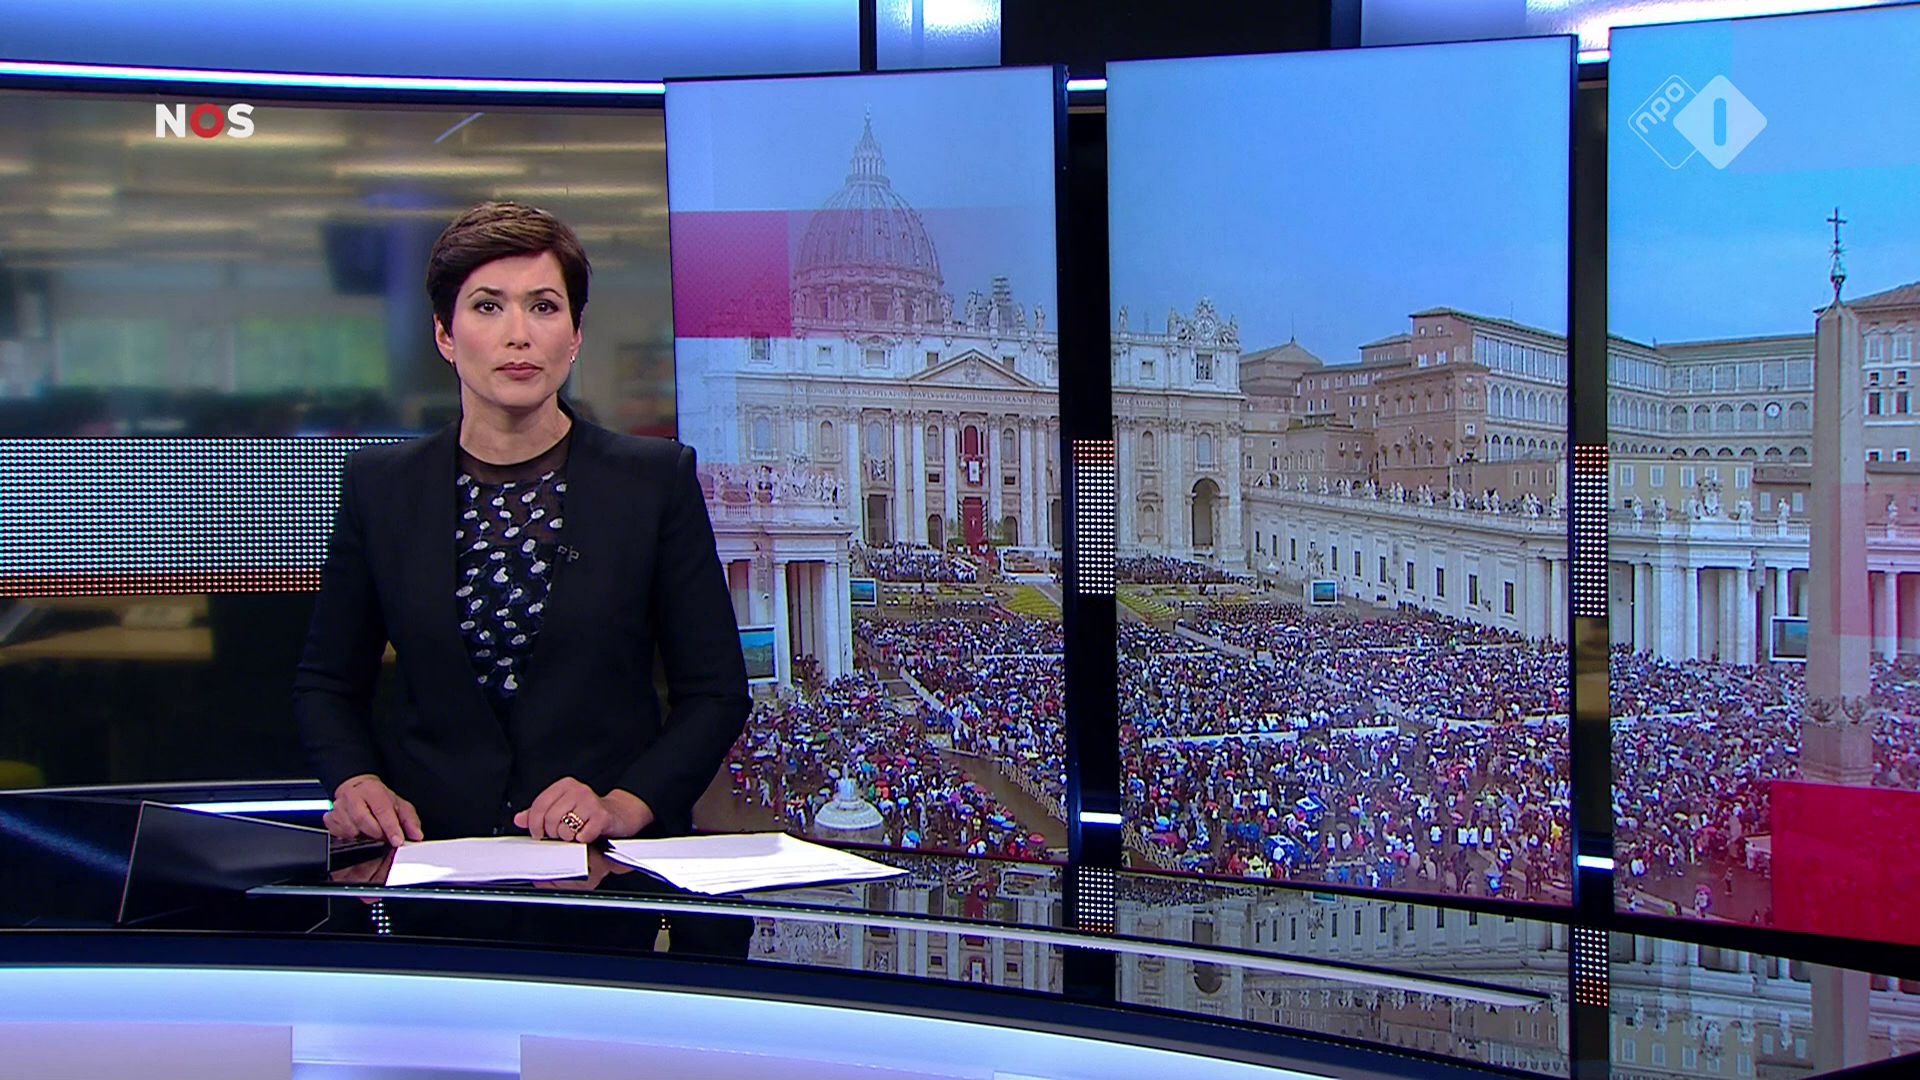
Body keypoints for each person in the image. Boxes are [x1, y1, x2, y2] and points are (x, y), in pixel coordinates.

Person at [294, 202, 750, 847]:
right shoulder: (382, 487)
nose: (519, 334)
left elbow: (715, 692)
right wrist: (354, 779)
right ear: (444, 335)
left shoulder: (653, 481)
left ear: (575, 334)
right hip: (433, 855)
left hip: (599, 860)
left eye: (543, 307)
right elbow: (327, 683)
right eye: (488, 306)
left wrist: (623, 805)